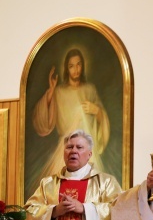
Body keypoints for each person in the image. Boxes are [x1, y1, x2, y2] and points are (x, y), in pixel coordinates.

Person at [24, 129, 121, 220]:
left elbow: (119, 211)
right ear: (64, 153)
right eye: (69, 147)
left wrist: (85, 208)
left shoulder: (106, 182)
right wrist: (54, 211)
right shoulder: (47, 183)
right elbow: (29, 212)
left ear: (89, 154)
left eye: (79, 147)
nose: (73, 151)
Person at [32, 48, 110, 184]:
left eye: (79, 64)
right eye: (71, 66)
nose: (76, 69)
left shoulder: (89, 89)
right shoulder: (59, 92)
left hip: (85, 151)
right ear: (67, 69)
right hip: (64, 150)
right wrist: (51, 90)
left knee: (91, 187)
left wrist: (96, 110)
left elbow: (102, 121)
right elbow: (43, 123)